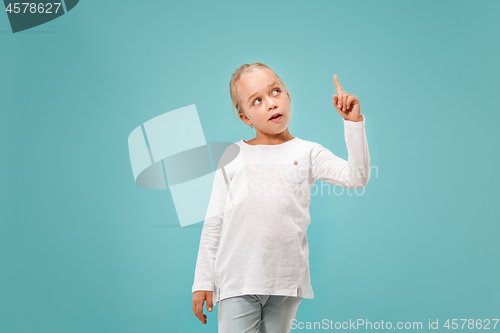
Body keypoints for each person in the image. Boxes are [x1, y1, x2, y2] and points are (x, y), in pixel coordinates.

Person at [192, 62, 370, 332]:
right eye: (257, 101)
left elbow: (356, 177)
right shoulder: (232, 156)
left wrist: (353, 122)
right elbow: (214, 221)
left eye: (276, 92)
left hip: (286, 281)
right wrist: (203, 281)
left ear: (288, 96)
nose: (271, 104)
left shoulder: (308, 152)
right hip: (237, 279)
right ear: (245, 117)